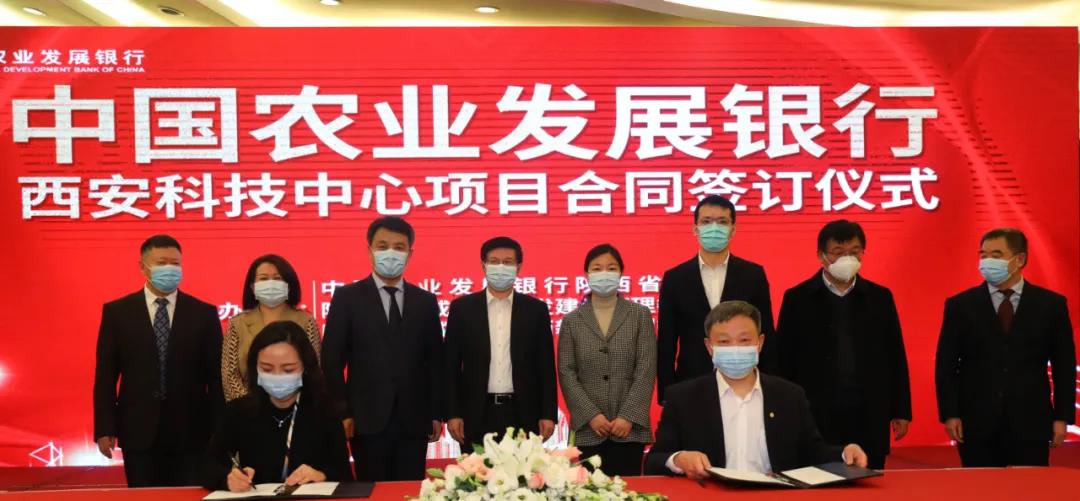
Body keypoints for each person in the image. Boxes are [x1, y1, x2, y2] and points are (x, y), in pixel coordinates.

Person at [645, 300, 868, 479]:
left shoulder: (789, 395)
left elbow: (811, 452)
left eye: (744, 340)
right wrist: (678, 458)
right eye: (724, 342)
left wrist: (844, 452)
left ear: (759, 343)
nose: (735, 348)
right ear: (709, 347)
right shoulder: (684, 397)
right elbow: (653, 461)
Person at [775, 220, 912, 469]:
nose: (847, 258)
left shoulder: (880, 297)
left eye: (854, 251)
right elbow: (783, 358)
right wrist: (784, 409)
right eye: (838, 252)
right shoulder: (797, 298)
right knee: (818, 475)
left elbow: (895, 354)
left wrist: (901, 410)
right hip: (815, 410)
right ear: (821, 255)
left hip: (868, 408)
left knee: (869, 476)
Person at [935, 227, 1076, 467]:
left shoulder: (1051, 305)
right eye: (983, 255)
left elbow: (1064, 366)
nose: (987, 261)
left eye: (997, 255)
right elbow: (946, 365)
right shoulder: (960, 305)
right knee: (979, 485)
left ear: (1019, 259)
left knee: (1029, 485)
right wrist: (950, 413)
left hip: (1031, 421)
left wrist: (1062, 417)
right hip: (976, 421)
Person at [93, 234, 224, 487]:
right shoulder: (118, 312)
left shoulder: (204, 313)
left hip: (191, 431)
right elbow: (106, 375)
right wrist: (104, 427)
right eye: (162, 263)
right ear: (143, 267)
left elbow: (216, 378)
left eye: (175, 264)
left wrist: (219, 429)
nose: (170, 269)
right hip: (138, 430)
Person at [322, 216, 444, 481]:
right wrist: (343, 411)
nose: (391, 253)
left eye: (399, 247)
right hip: (365, 419)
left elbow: (435, 362)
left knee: (410, 490)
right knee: (372, 489)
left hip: (414, 419)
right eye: (382, 246)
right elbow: (331, 360)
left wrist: (436, 413)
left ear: (410, 253)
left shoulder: (425, 301)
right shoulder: (347, 298)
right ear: (370, 250)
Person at [203, 321, 349, 492]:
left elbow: (344, 474)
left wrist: (321, 475)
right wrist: (228, 479)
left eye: (288, 370)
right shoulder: (239, 410)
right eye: (267, 369)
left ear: (305, 367)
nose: (277, 376)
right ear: (255, 368)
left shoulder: (325, 410)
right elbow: (208, 467)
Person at [657, 195, 774, 404]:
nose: (714, 228)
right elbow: (666, 341)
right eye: (706, 221)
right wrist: (667, 394)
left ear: (733, 229)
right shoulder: (675, 278)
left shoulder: (753, 274)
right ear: (695, 229)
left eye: (722, 222)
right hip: (691, 382)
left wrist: (771, 386)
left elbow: (766, 333)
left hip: (744, 382)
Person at [445, 237, 558, 451]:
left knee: (524, 473)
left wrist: (548, 414)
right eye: (494, 261)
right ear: (483, 265)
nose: (500, 267)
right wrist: (452, 413)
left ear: (518, 267)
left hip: (523, 414)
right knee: (475, 472)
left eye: (507, 262)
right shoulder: (462, 309)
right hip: (475, 414)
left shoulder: (536, 310)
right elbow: (451, 367)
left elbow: (545, 367)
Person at [558, 244, 656, 476]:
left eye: (611, 268)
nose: (604, 273)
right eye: (597, 268)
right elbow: (566, 371)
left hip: (629, 429)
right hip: (590, 429)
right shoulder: (572, 320)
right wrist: (591, 416)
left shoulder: (640, 315)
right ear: (587, 274)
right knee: (589, 488)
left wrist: (628, 416)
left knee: (630, 489)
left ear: (621, 273)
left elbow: (646, 368)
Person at [223, 254, 321, 402]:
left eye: (277, 278)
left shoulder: (306, 321)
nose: (270, 283)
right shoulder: (238, 323)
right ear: (252, 287)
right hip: (248, 407)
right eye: (263, 278)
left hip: (296, 406)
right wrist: (247, 405)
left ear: (288, 285)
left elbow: (314, 368)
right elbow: (230, 375)